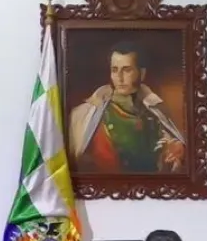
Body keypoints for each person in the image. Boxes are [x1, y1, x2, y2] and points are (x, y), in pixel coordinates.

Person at [68, 41, 185, 174]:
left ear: (142, 73)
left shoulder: (154, 110)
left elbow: (170, 145)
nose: (119, 78)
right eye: (114, 70)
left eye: (127, 70)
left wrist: (177, 148)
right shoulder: (86, 114)